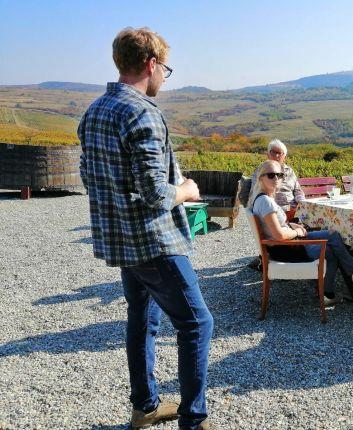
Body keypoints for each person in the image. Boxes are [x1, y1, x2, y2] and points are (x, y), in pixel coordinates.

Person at [78, 28, 212, 430]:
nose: (163, 79)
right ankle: (193, 420)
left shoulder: (95, 111)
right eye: (164, 69)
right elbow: (155, 193)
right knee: (197, 323)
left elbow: (89, 177)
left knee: (143, 317)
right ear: (151, 64)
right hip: (153, 240)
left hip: (121, 240)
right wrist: (185, 189)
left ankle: (146, 406)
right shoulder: (141, 111)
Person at [249, 160, 353, 305]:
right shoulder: (266, 201)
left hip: (288, 242)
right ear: (261, 178)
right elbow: (278, 236)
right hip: (287, 248)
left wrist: (291, 225)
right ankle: (330, 291)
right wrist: (297, 232)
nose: (277, 179)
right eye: (271, 175)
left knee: (333, 234)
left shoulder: (264, 198)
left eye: (279, 175)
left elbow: (274, 226)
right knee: (331, 251)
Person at [250, 139, 304, 210]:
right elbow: (256, 190)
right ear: (268, 154)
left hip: (293, 208)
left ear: (285, 157)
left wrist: (301, 201)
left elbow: (297, 190)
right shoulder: (261, 170)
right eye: (273, 152)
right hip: (272, 208)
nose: (276, 155)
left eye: (279, 153)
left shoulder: (289, 171)